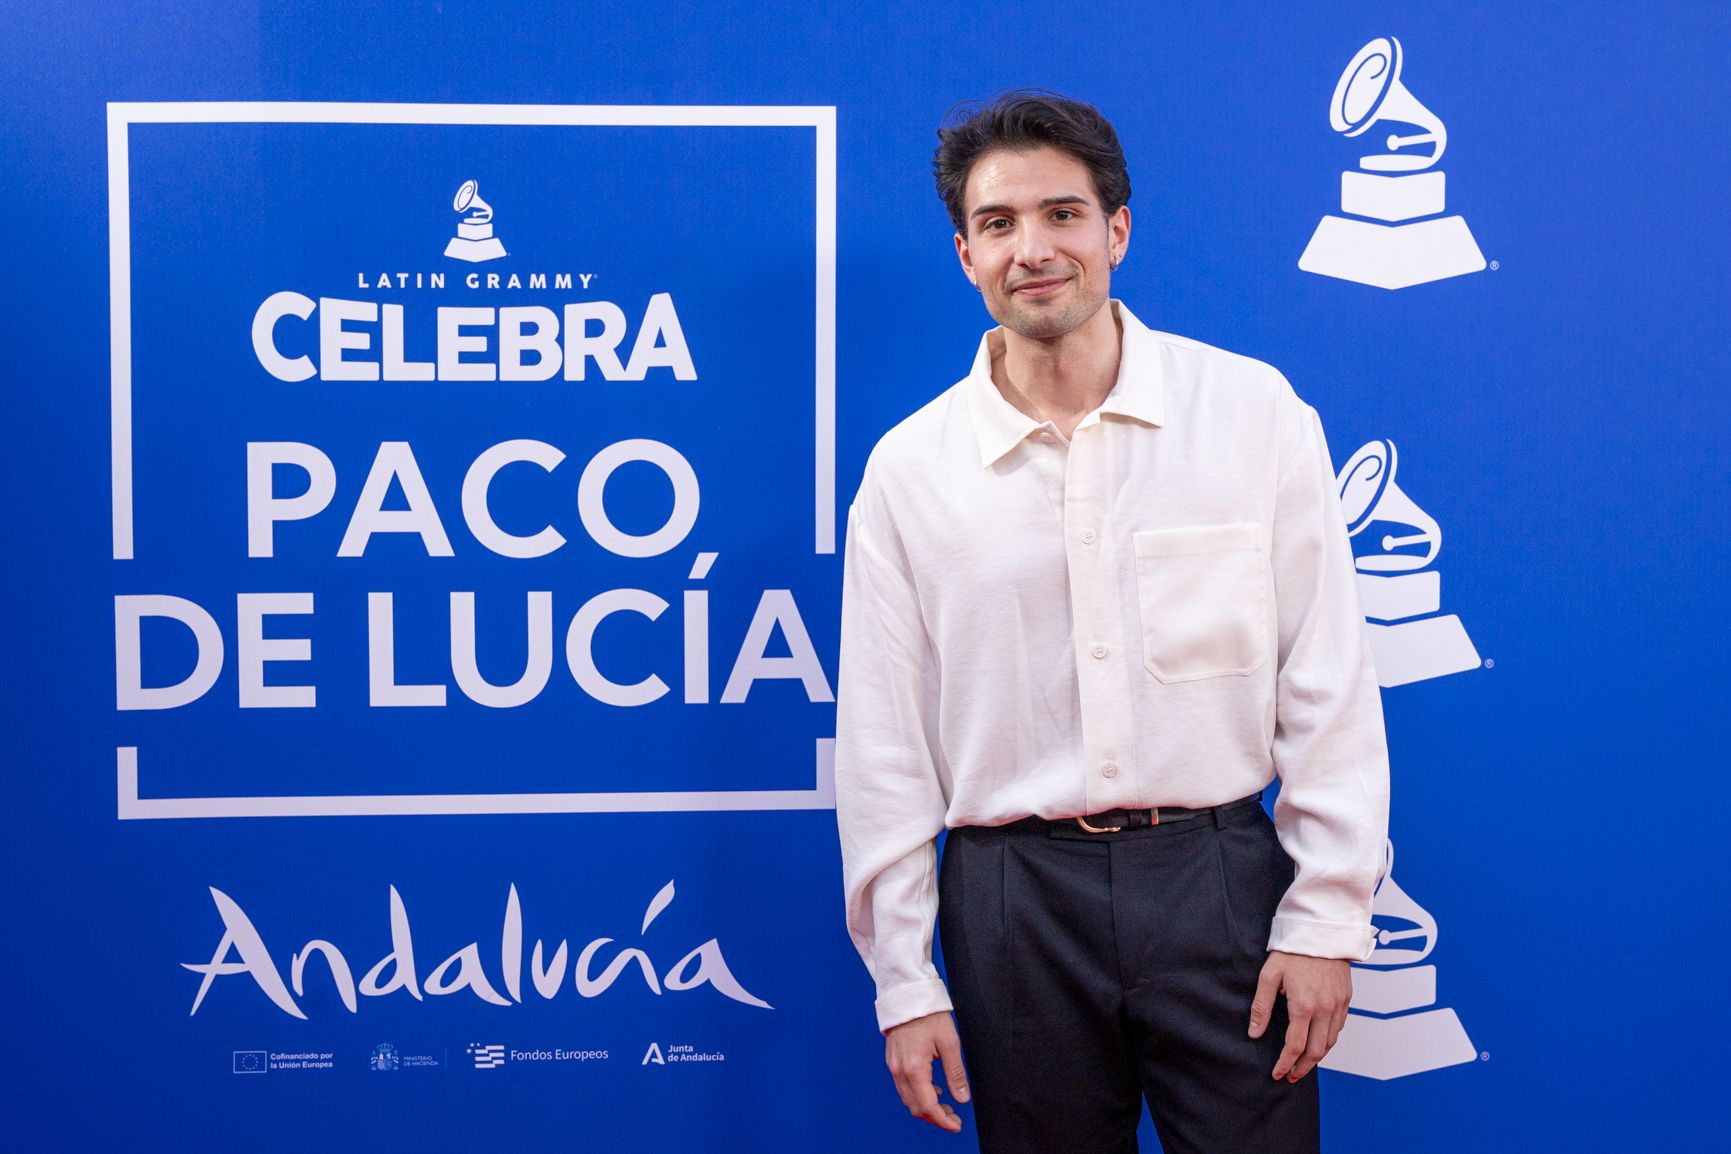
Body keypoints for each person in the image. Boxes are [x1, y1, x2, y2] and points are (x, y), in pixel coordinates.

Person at [834, 91, 1390, 1154]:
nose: (1033, 249)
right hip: (1010, 900)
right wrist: (904, 978)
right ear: (965, 253)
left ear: (1117, 230)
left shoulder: (1253, 413)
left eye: (1062, 214)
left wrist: (1326, 919)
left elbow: (1326, 678)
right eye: (999, 224)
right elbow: (883, 746)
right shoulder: (910, 473)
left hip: (1217, 879)